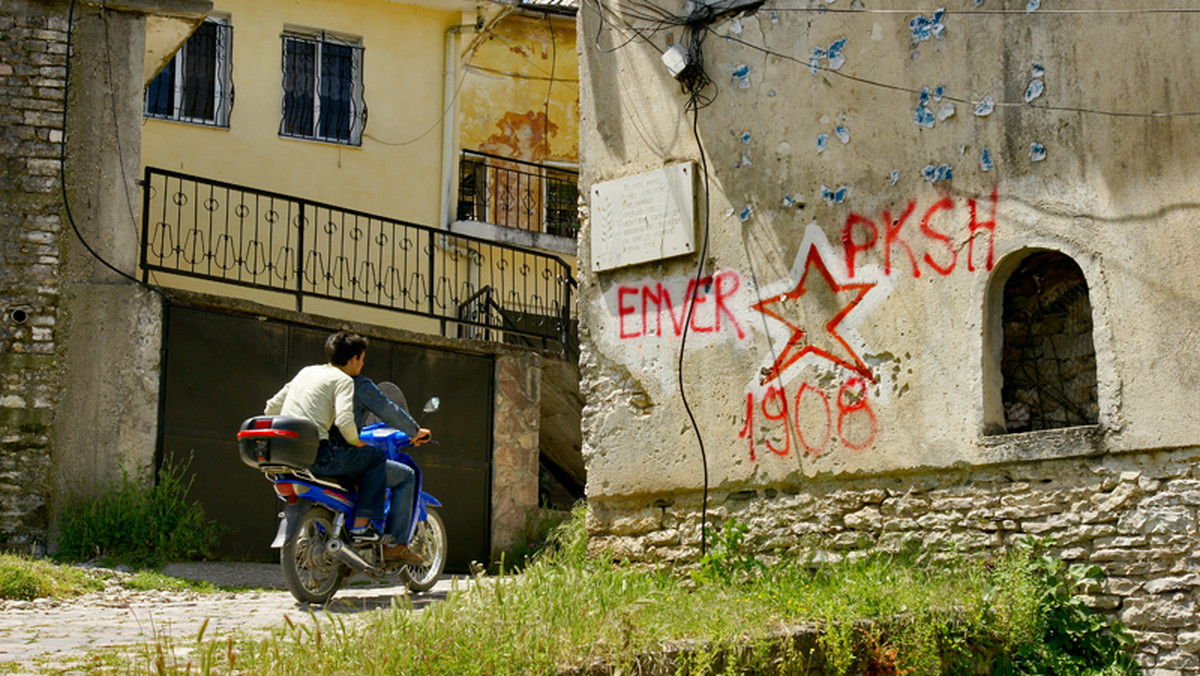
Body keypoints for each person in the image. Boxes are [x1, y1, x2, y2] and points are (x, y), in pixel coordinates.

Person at [264, 331, 387, 543]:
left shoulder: (306, 372)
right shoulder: (343, 380)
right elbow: (345, 421)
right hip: (319, 454)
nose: (362, 364)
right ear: (353, 359)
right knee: (376, 458)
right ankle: (360, 528)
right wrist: (357, 442)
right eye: (362, 359)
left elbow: (271, 407)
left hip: (290, 453)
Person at [353, 376, 431, 565]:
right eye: (362, 358)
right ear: (354, 358)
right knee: (405, 476)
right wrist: (414, 431)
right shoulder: (355, 383)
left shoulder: (309, 376)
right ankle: (394, 546)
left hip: (315, 451)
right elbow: (386, 409)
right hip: (342, 452)